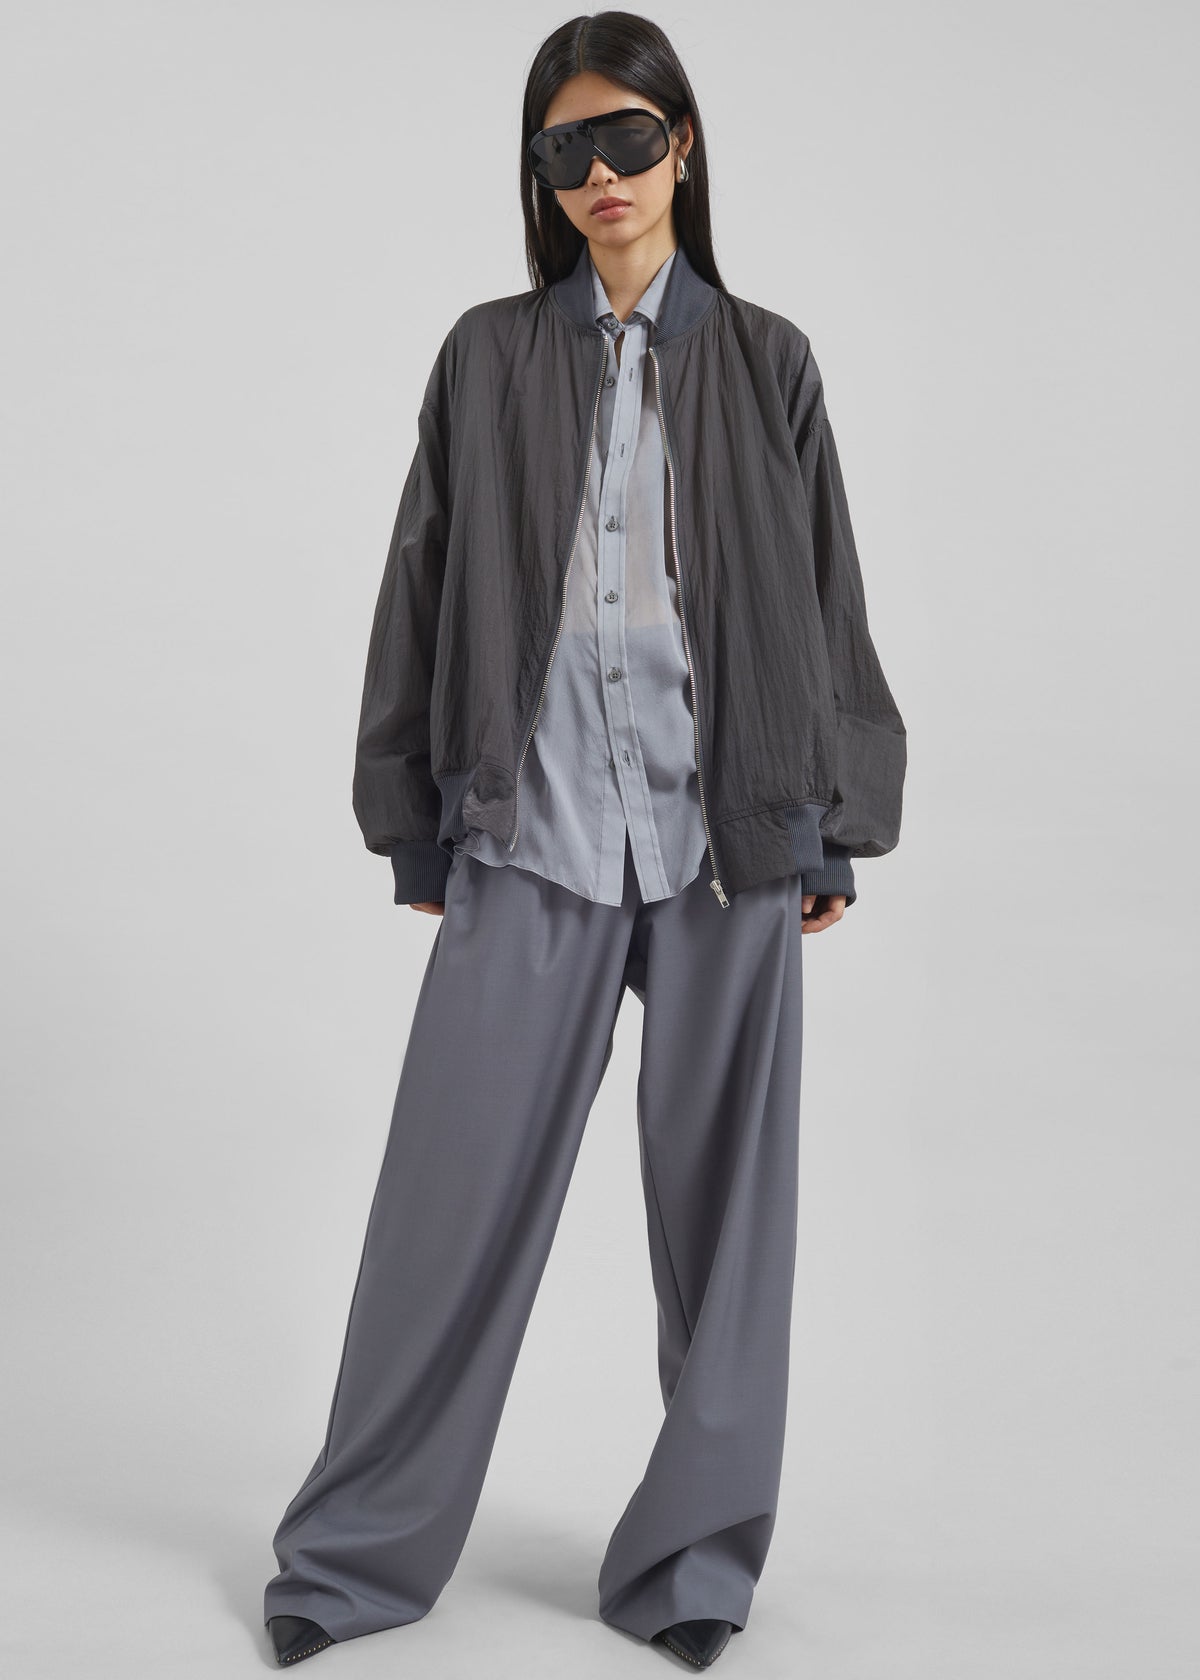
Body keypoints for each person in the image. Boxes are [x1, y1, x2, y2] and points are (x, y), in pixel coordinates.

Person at [263, 10, 906, 1670]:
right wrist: (413, 818)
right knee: (444, 1211)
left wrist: (832, 826)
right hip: (530, 830)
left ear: (683, 145)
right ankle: (353, 1557)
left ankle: (692, 1570)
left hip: (726, 840)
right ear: (540, 172)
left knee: (727, 1234)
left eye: (628, 137)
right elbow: (421, 582)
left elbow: (825, 592)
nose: (600, 174)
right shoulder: (486, 356)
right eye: (567, 148)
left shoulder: (766, 358)